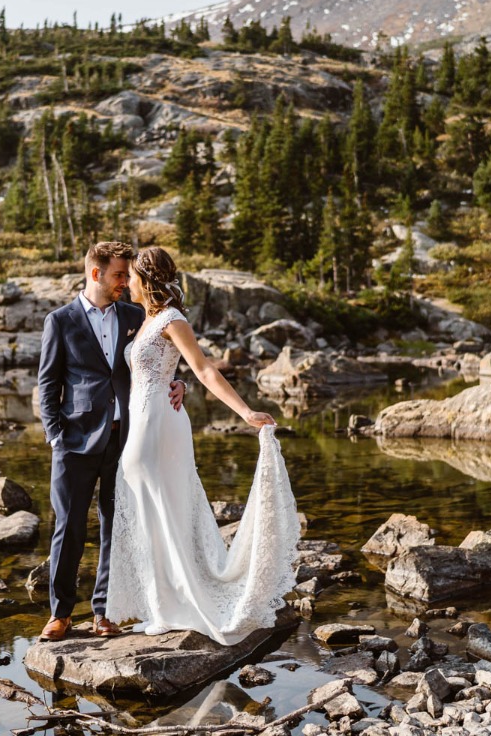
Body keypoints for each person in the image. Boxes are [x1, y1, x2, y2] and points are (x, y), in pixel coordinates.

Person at [105, 246, 300, 646]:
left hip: (161, 422)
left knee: (166, 507)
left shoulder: (172, 319)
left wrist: (244, 412)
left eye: (133, 277)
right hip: (140, 421)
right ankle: (162, 606)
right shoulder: (144, 319)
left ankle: (180, 606)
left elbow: (204, 368)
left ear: (147, 279)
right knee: (146, 511)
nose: (127, 284)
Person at [36, 242, 186, 642]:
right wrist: (55, 436)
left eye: (127, 276)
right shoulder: (60, 320)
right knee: (68, 527)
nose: (126, 282)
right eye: (120, 275)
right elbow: (47, 384)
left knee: (115, 526)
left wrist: (179, 381)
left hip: (128, 437)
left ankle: (104, 611)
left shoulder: (136, 314)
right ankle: (61, 614)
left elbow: (162, 355)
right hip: (75, 441)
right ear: (96, 273)